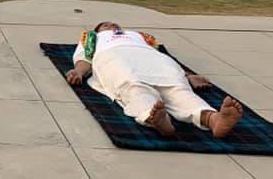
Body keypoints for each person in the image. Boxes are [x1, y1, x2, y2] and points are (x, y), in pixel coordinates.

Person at [66, 22, 242, 137]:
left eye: (114, 24)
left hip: (151, 58)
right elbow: (86, 57)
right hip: (114, 56)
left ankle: (212, 118)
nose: (111, 24)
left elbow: (161, 54)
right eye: (104, 24)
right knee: (132, 84)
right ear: (99, 30)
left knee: (177, 86)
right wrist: (79, 71)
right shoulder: (92, 37)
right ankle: (156, 118)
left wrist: (188, 76)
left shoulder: (140, 36)